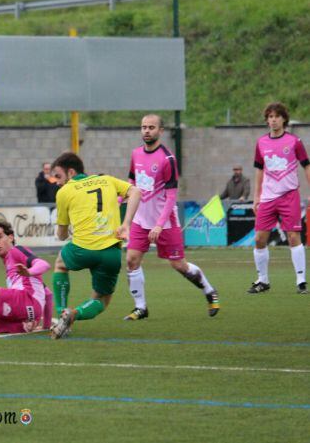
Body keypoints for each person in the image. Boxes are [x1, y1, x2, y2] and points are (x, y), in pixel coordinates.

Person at [123, 114, 220, 321]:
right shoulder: (135, 154)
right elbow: (131, 181)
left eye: (151, 127)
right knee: (131, 260)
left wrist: (158, 225)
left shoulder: (167, 159)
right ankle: (141, 307)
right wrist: (122, 197)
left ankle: (209, 291)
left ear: (161, 131)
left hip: (164, 223)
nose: (146, 131)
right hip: (141, 220)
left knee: (178, 265)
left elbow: (171, 196)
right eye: (143, 127)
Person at [49, 152, 141, 339]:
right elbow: (136, 192)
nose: (56, 181)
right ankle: (74, 314)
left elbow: (62, 234)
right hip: (111, 254)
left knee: (60, 264)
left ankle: (62, 313)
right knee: (101, 299)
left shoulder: (64, 192)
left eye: (58, 176)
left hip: (82, 250)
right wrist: (126, 224)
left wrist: (65, 233)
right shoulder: (106, 180)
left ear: (71, 172)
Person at [250, 102, 309, 294]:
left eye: (277, 116)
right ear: (267, 120)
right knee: (259, 239)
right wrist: (256, 197)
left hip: (289, 196)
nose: (273, 120)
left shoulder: (294, 142)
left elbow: (306, 166)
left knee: (293, 237)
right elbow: (259, 170)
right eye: (270, 117)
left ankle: (301, 282)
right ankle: (263, 281)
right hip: (267, 198)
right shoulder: (261, 143)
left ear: (284, 119)